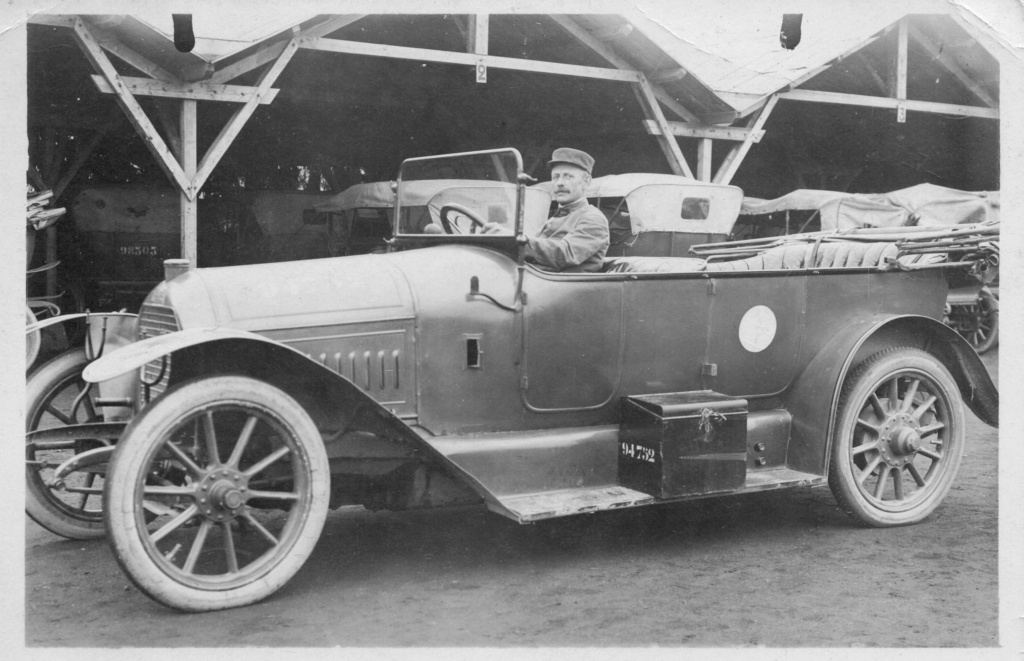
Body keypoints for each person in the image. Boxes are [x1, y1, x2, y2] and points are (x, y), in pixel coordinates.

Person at [485, 148, 609, 273]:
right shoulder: (555, 217)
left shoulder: (593, 219)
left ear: (586, 182)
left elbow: (565, 254)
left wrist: (514, 239)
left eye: (568, 176)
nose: (560, 183)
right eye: (555, 177)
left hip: (564, 288)